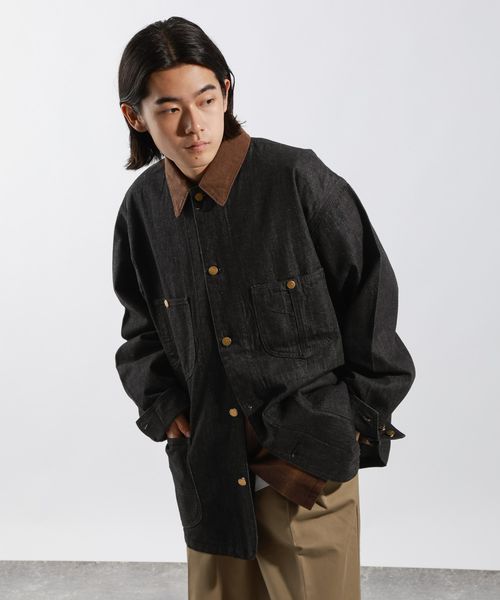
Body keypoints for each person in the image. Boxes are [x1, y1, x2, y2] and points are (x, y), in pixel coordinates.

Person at [113, 16, 416, 600]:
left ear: (227, 91)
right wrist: (164, 404)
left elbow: (372, 302)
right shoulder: (142, 210)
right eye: (170, 108)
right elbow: (141, 327)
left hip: (308, 467)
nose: (195, 124)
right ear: (136, 116)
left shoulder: (297, 179)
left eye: (206, 99)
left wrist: (348, 427)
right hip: (210, 470)